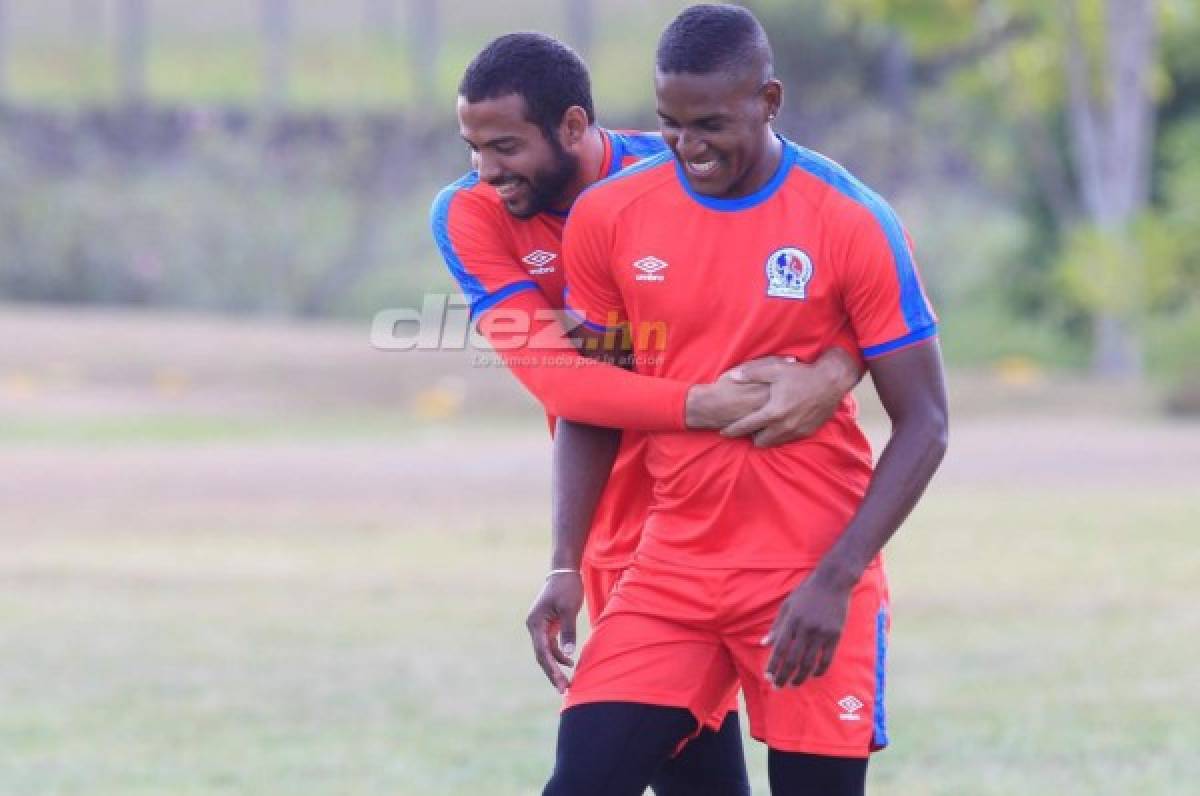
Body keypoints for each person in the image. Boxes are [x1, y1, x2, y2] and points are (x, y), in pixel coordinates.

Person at [431, 32, 862, 796]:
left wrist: (838, 367)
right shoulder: (469, 214)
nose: (484, 171)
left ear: (571, 126)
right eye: (472, 147)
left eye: (502, 145)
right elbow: (563, 386)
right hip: (624, 539)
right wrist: (569, 556)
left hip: (754, 524)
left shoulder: (690, 164)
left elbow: (867, 268)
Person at [539, 5, 949, 795]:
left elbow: (926, 424)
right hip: (672, 572)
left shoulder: (851, 220)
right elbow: (595, 403)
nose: (689, 146)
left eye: (710, 124)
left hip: (809, 574)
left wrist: (837, 579)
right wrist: (563, 561)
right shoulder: (611, 215)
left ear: (770, 100)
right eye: (669, 123)